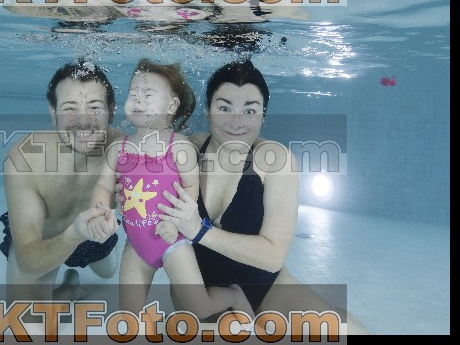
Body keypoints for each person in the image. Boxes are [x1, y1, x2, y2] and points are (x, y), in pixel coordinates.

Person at [156, 59, 370, 335]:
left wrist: (199, 231)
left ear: (263, 115)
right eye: (224, 108)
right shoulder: (186, 149)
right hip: (201, 293)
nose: (237, 122)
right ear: (208, 110)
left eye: (250, 110)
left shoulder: (275, 160)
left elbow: (272, 256)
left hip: (265, 289)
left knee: (350, 333)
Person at [87, 58, 255, 324]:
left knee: (201, 309)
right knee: (129, 316)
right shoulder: (118, 148)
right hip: (136, 245)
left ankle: (233, 295)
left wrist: (174, 222)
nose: (137, 99)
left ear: (171, 106)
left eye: (147, 95)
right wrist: (98, 209)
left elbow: (191, 189)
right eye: (133, 93)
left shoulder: (180, 147)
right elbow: (103, 185)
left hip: (174, 241)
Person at [0, 59, 123, 303]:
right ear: (53, 114)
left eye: (95, 107)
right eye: (69, 108)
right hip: (43, 242)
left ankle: (85, 269)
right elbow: (28, 262)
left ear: (111, 111)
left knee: (108, 272)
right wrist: (74, 234)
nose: (83, 120)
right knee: (24, 319)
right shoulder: (26, 159)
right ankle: (69, 290)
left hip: (94, 236)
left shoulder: (127, 152)